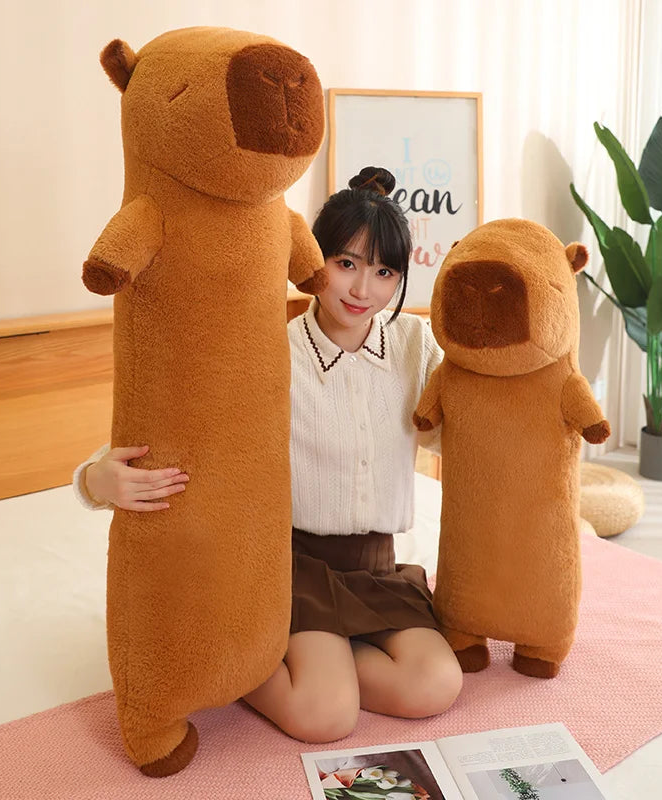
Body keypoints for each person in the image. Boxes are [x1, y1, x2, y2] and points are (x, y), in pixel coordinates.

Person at [73, 166, 462, 743]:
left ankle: (323, 660)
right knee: (324, 717)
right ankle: (235, 663)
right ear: (312, 259)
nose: (363, 290)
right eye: (346, 264)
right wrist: (94, 478)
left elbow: (456, 433)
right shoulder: (269, 348)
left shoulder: (413, 344)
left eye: (384, 272)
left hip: (377, 568)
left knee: (435, 686)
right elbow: (194, 425)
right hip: (292, 568)